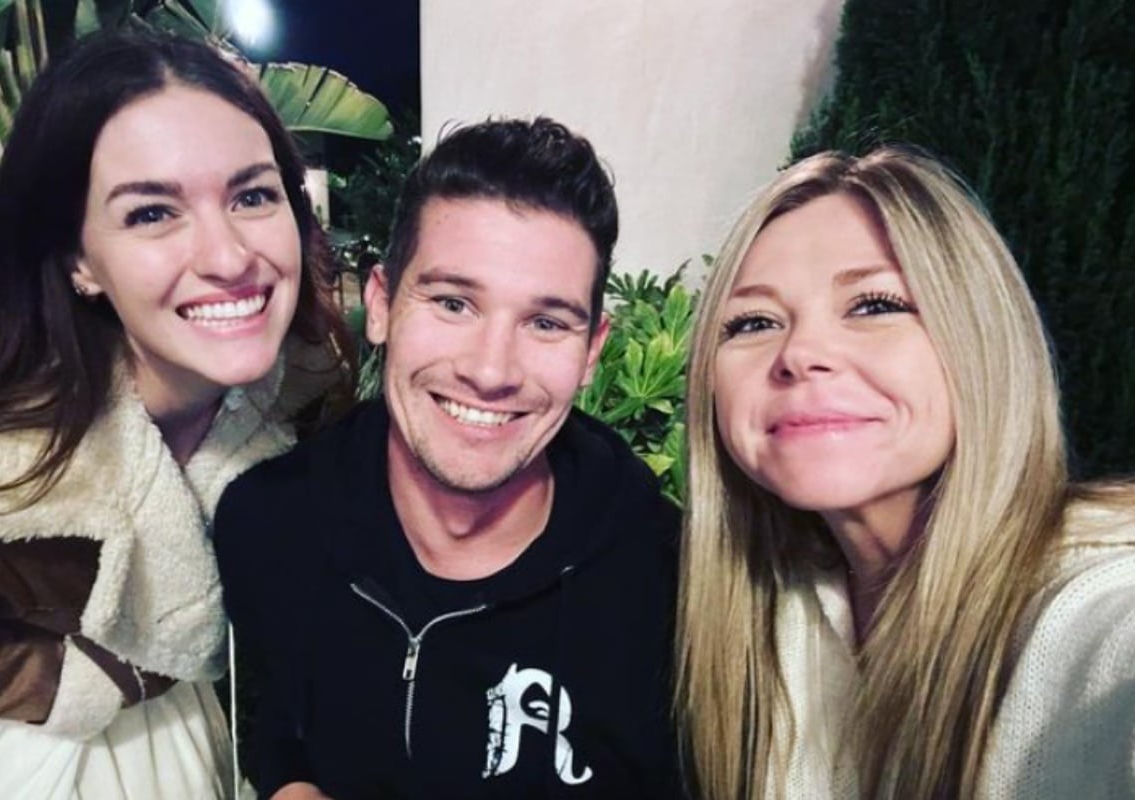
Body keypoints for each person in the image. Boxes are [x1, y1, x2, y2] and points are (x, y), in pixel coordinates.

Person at [0, 28, 349, 799]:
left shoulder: (309, 398)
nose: (227, 257)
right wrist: (89, 680)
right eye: (152, 213)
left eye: (253, 196)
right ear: (78, 259)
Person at [215, 117, 683, 799]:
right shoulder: (268, 524)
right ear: (380, 304)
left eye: (546, 323)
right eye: (453, 302)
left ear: (591, 351)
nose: (490, 371)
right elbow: (272, 723)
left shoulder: (672, 585)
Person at [676, 145, 1135, 799]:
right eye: (753, 322)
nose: (800, 352)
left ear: (980, 339)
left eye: (874, 305)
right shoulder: (771, 607)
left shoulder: (1096, 604)